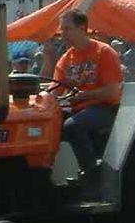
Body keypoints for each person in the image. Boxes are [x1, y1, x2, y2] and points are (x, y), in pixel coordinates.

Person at [42, 10, 123, 196]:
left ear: (82, 28)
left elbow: (112, 92)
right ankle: (44, 175)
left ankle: (92, 175)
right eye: (61, 30)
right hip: (79, 110)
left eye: (67, 29)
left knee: (71, 126)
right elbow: (55, 89)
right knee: (46, 126)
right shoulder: (66, 59)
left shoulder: (103, 52)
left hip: (105, 108)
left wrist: (82, 96)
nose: (63, 34)